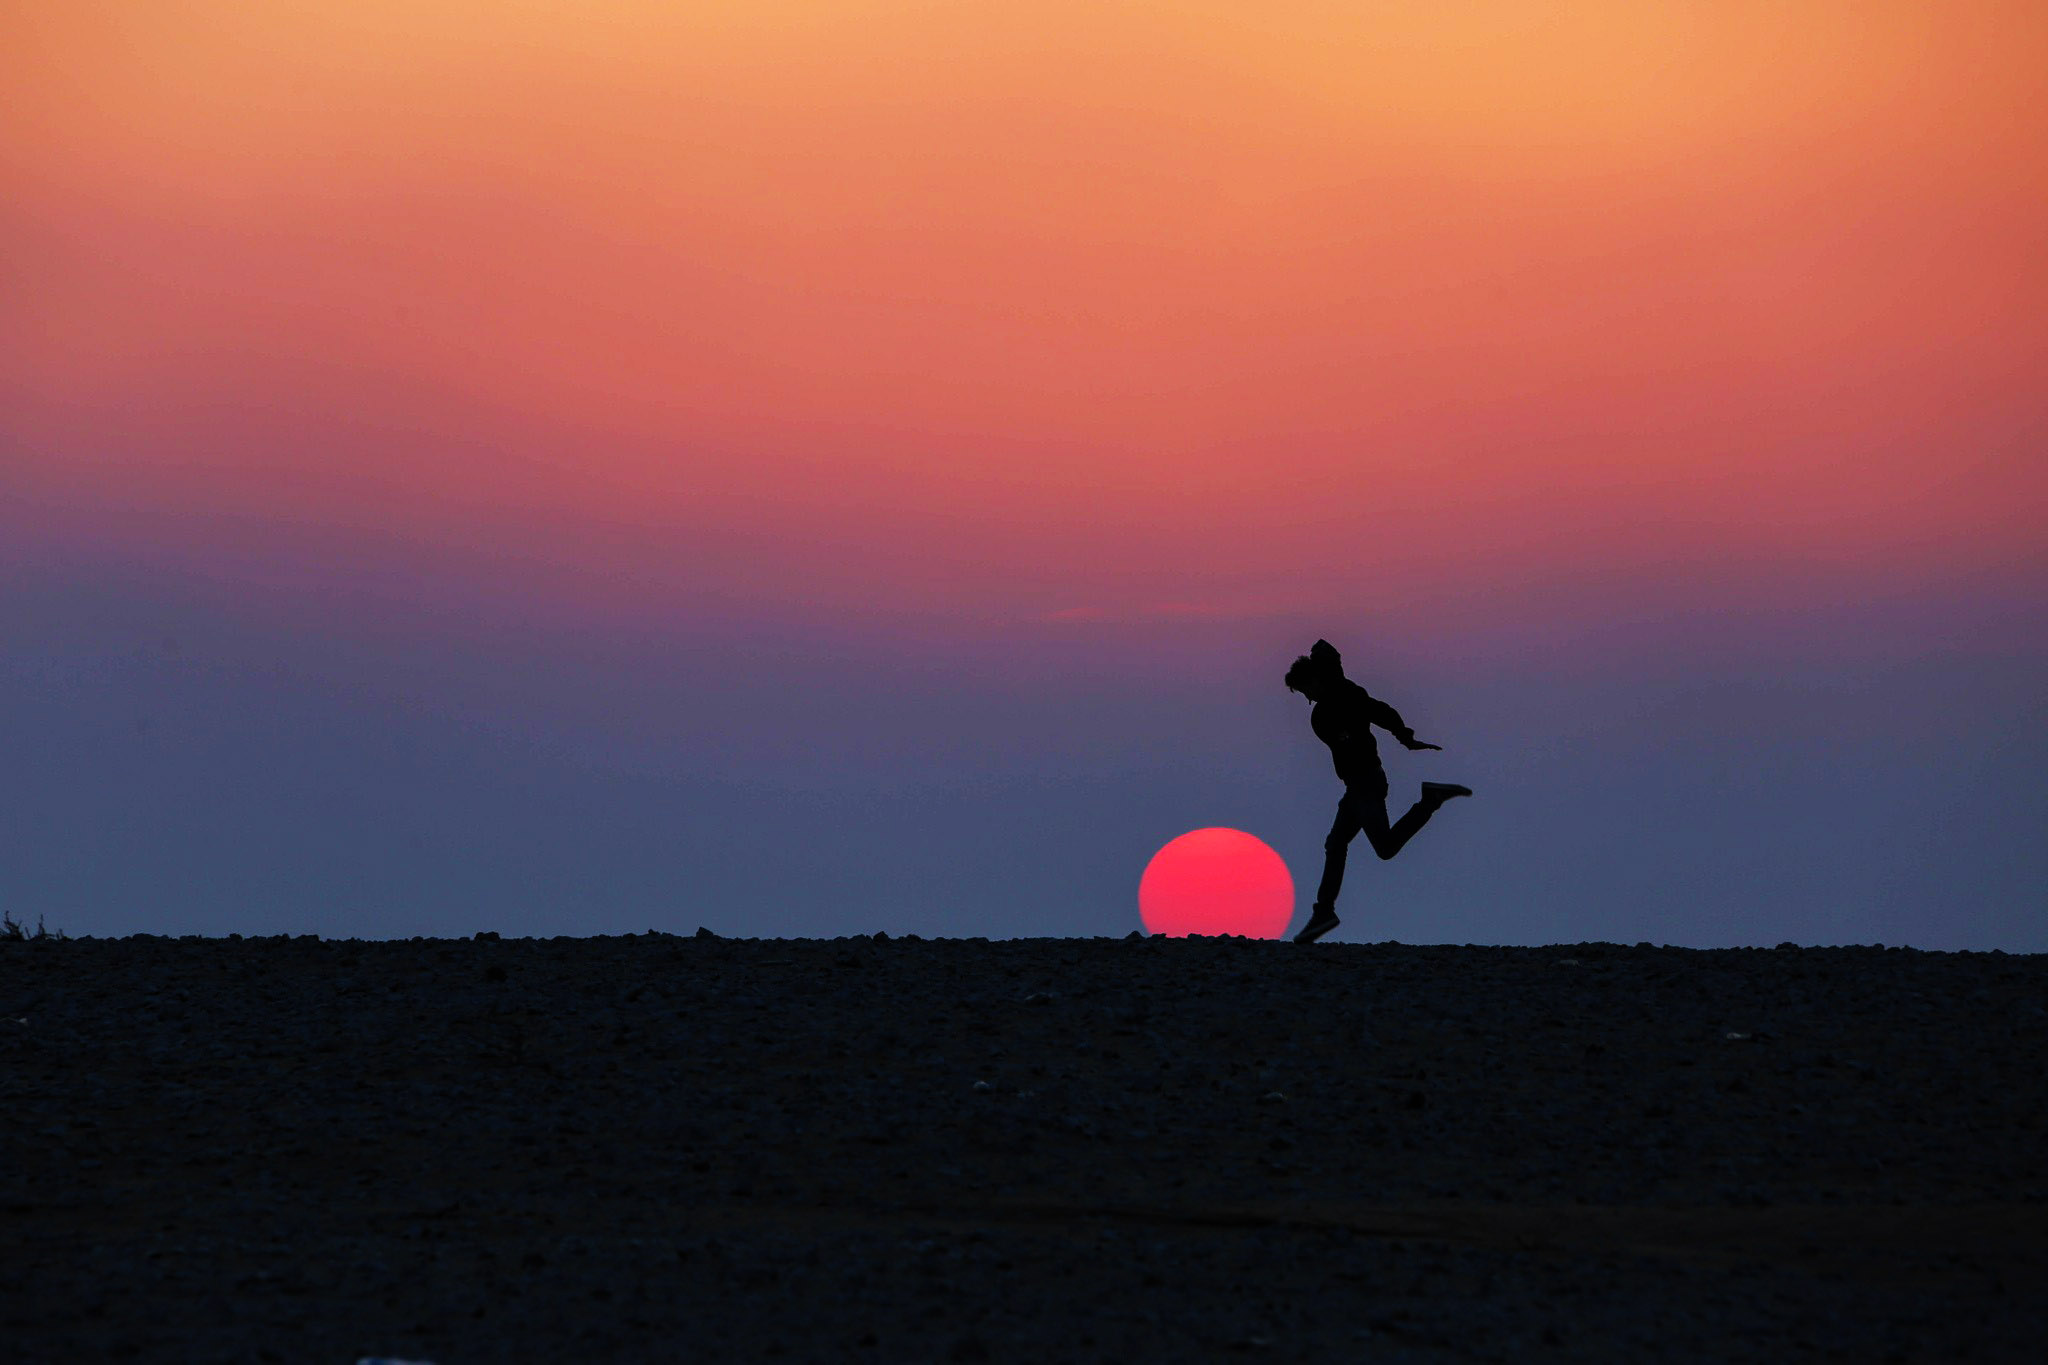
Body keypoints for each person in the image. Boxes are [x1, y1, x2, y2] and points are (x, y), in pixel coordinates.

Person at [1285, 639, 1470, 943]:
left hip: (1366, 784)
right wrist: (1402, 737)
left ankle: (1430, 800)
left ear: (1318, 678)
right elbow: (1376, 714)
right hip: (1357, 785)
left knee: (1383, 848)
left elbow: (1381, 713)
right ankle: (1324, 913)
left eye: (1307, 689)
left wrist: (1405, 738)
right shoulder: (1329, 708)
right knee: (1336, 843)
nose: (1308, 697)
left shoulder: (1345, 698)